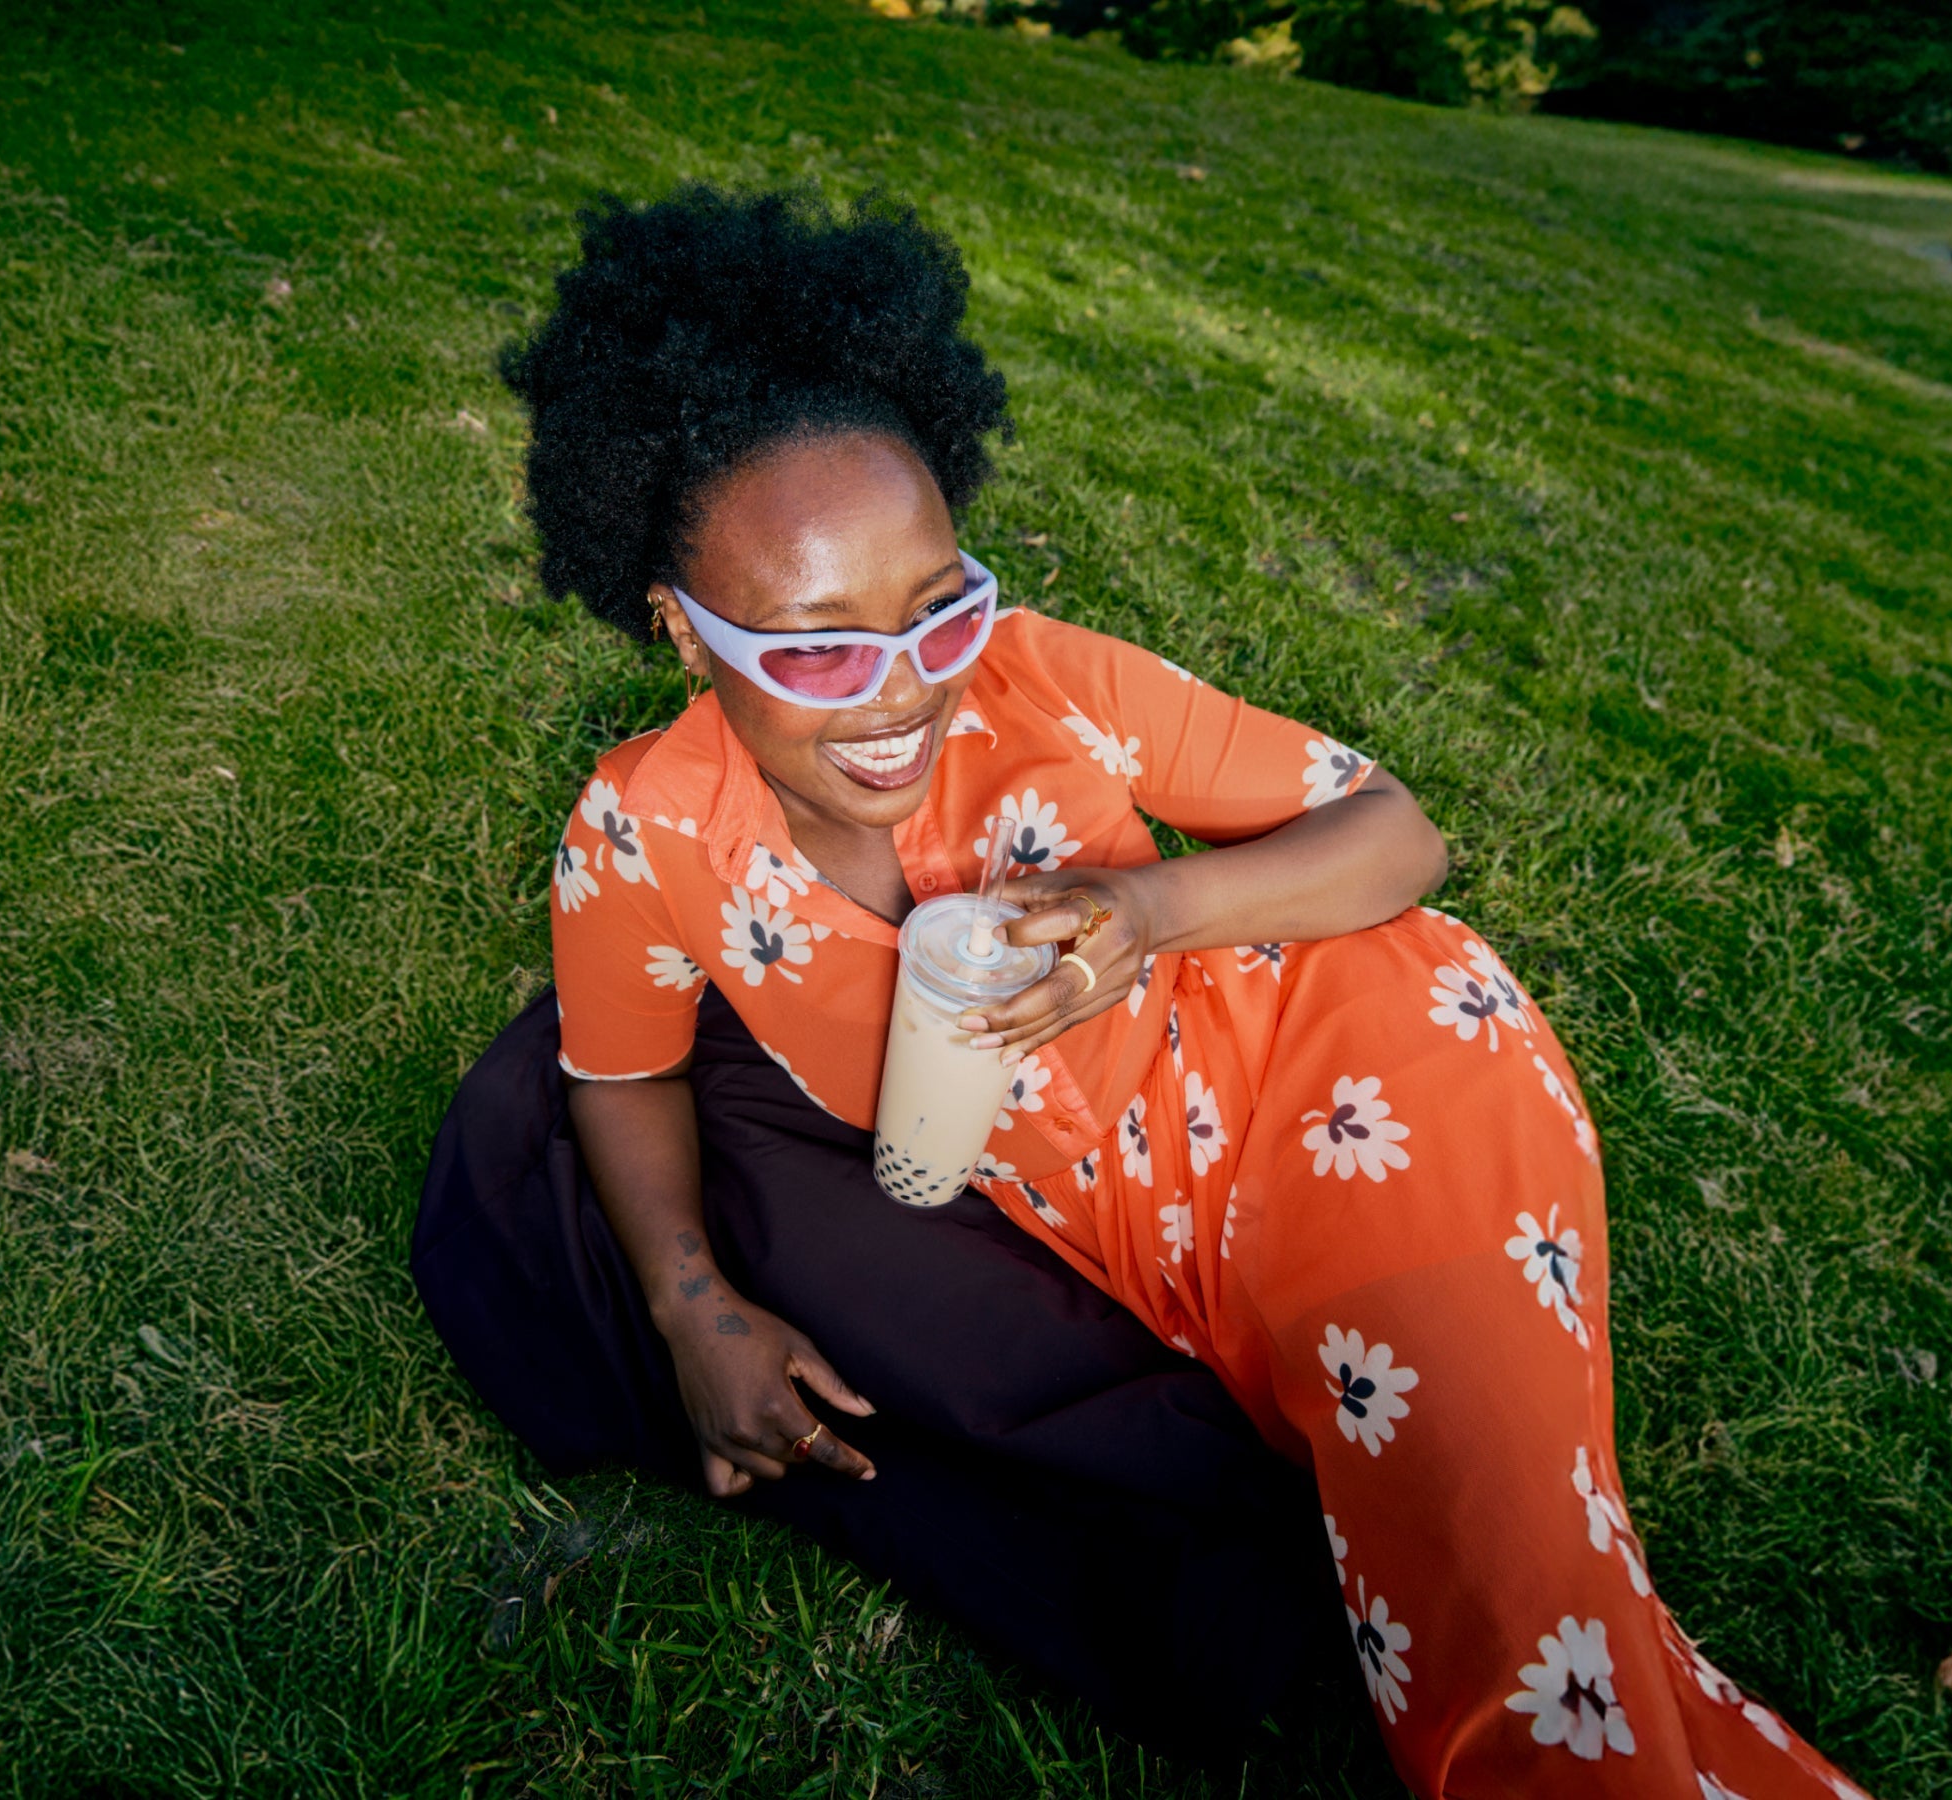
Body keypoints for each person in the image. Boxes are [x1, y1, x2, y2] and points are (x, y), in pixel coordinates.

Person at [415, 185, 1870, 1797]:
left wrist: (1151, 902)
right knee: (1488, 1564)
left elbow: (1401, 829)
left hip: (1367, 1087)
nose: (902, 689)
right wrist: (697, 1317)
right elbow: (619, 1076)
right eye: (814, 648)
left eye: (934, 606)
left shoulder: (1047, 680)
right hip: (1156, 1249)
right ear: (683, 631)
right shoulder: (643, 832)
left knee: (1511, 1591)